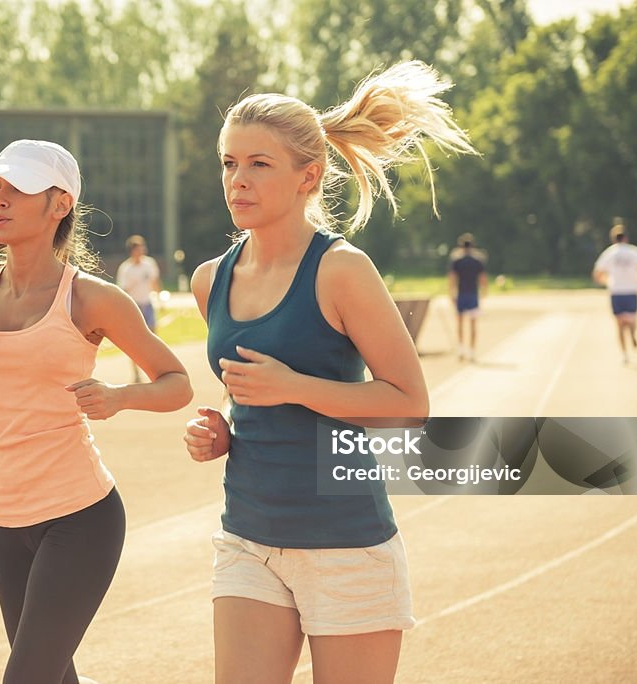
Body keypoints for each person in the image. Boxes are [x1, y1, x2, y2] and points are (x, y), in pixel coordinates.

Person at [182, 61, 475, 684]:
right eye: (229, 163)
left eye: (259, 164)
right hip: (249, 538)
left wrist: (293, 387)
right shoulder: (211, 280)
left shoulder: (342, 270)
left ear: (307, 176)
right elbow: (251, 400)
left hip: (346, 544)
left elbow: (410, 402)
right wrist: (219, 431)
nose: (238, 180)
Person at [0, 139, 192, 684]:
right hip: (4, 520)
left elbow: (177, 383)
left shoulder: (92, 299)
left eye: (18, 189)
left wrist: (121, 398)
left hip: (81, 518)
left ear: (59, 205)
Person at [592, 222, 637, 364]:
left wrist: (606, 282)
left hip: (616, 291)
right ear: (626, 238)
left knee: (619, 324)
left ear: (613, 239)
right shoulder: (634, 251)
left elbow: (597, 272)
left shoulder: (609, 253)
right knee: (632, 319)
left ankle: (624, 354)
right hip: (631, 290)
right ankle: (632, 333)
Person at [116, 234, 161, 381]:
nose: (142, 251)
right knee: (134, 342)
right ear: (132, 251)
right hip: (134, 307)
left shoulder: (149, 264)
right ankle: (136, 373)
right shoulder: (126, 269)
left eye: (143, 248)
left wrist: (160, 298)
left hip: (147, 304)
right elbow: (123, 291)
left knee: (153, 338)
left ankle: (155, 371)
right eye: (139, 249)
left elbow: (155, 281)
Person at [448, 232, 488, 361]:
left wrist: (451, 293)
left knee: (459, 323)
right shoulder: (477, 260)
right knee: (473, 324)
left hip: (461, 294)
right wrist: (483, 291)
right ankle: (471, 351)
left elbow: (452, 278)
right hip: (472, 295)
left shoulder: (457, 260)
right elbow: (482, 278)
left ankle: (460, 349)